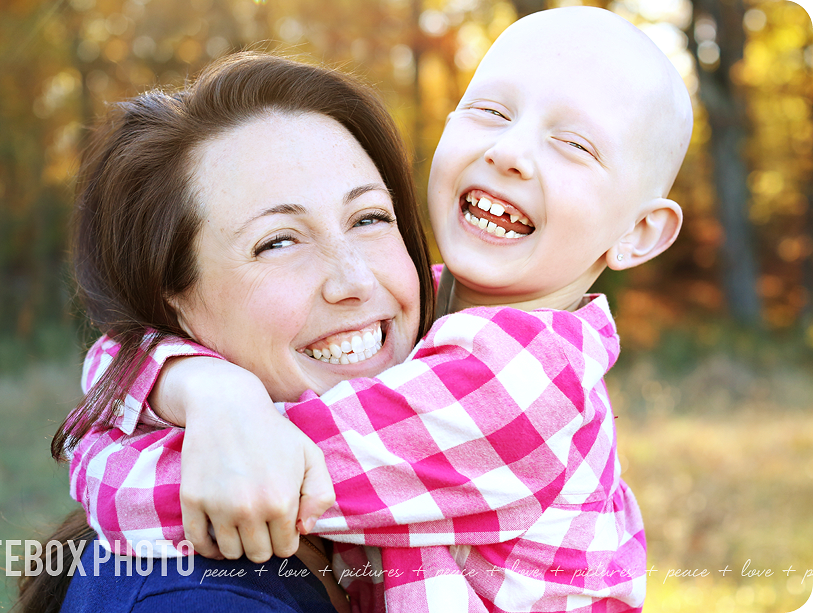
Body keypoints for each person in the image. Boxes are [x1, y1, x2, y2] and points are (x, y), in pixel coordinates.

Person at [69, 7, 694, 613]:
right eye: (490, 111)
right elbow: (128, 358)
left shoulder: (519, 382)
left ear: (639, 232)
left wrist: (118, 432)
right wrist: (205, 387)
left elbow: (240, 486)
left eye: (576, 144)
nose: (510, 151)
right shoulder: (425, 317)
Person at [18, 51, 438, 613]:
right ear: (177, 304)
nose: (355, 281)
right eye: (279, 241)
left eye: (369, 218)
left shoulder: (425, 470)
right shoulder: (200, 600)